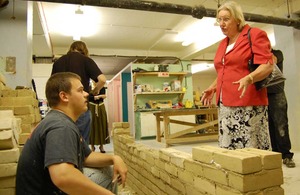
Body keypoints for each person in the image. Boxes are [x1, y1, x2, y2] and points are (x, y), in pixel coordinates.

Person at [16, 72, 127, 194]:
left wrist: (114, 158)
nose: (86, 94)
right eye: (80, 91)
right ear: (64, 96)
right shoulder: (61, 126)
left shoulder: (60, 120)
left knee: (107, 171)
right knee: (102, 180)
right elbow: (63, 177)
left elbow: (86, 156)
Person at [201, 1, 274, 150]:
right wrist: (212, 88)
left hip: (247, 102)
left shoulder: (254, 34)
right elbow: (224, 70)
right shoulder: (223, 43)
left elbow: (268, 64)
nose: (221, 23)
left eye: (226, 19)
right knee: (229, 150)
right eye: (219, 20)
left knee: (249, 150)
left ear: (238, 19)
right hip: (225, 105)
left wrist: (249, 78)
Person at [51, 41, 106, 144]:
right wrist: (94, 91)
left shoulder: (58, 62)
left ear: (71, 48)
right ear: (84, 50)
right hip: (79, 107)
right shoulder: (86, 60)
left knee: (63, 143)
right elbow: (102, 80)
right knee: (81, 145)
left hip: (61, 109)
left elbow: (52, 86)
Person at [267, 49, 295, 168]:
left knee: (281, 124)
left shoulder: (277, 53)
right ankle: (276, 153)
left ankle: (286, 155)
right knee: (270, 125)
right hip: (263, 93)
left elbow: (271, 61)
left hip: (276, 92)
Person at [89, 83, 110, 153]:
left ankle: (101, 146)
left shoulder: (102, 87)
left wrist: (99, 96)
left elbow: (104, 96)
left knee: (102, 124)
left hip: (100, 106)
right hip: (91, 107)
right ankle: (92, 146)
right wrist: (95, 97)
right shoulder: (89, 87)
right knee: (92, 125)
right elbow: (87, 97)